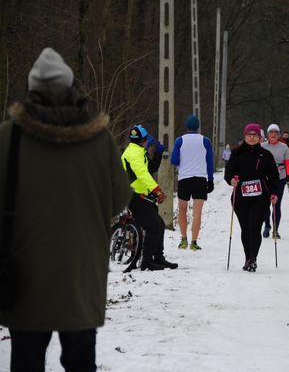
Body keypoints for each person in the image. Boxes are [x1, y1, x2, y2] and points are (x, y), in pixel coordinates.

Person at [0, 47, 131, 371]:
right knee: (79, 360)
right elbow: (119, 199)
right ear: (73, 88)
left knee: (26, 361)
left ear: (31, 91)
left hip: (24, 276)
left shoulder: (8, 138)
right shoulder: (100, 140)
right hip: (81, 273)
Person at [121, 124, 178, 270]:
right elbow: (143, 174)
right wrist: (157, 190)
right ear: (143, 140)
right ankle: (147, 262)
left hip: (142, 194)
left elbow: (150, 168)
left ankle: (158, 258)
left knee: (158, 224)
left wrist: (158, 154)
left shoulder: (138, 151)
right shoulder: (134, 154)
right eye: (147, 139)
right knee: (154, 226)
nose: (148, 142)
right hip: (133, 195)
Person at [225, 123, 279, 272]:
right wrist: (231, 180)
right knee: (246, 228)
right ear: (245, 136)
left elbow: (274, 177)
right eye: (249, 134)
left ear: (260, 137)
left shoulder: (266, 155)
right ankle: (247, 256)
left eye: (255, 135)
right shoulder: (236, 153)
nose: (252, 137)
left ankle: (252, 259)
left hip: (260, 197)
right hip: (241, 197)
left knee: (254, 227)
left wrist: (274, 193)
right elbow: (228, 172)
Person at [170, 115, 214, 251]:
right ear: (198, 126)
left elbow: (174, 160)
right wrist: (210, 179)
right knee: (197, 213)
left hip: (184, 178)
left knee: (182, 209)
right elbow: (210, 162)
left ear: (187, 126)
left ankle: (183, 240)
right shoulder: (206, 141)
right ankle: (194, 242)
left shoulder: (179, 140)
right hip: (200, 179)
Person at [261, 124, 289, 238]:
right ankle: (267, 225)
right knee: (265, 204)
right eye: (271, 132)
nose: (273, 134)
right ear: (268, 134)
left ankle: (275, 229)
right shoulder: (262, 146)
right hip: (265, 179)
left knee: (276, 204)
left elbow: (288, 162)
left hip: (280, 178)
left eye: (276, 132)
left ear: (279, 135)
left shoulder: (284, 147)